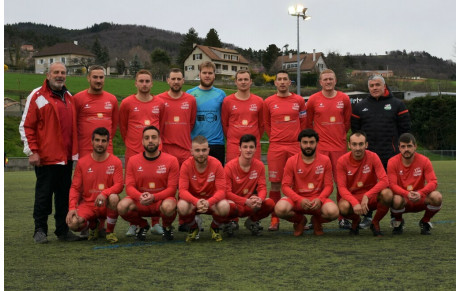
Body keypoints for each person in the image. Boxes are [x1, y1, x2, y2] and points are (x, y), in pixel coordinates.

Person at [19, 62, 80, 243]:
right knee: (44, 195)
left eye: (63, 72)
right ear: (48, 75)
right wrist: (32, 151)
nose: (59, 75)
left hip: (66, 158)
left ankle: (62, 231)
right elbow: (26, 125)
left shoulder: (69, 96)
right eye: (56, 72)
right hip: (46, 157)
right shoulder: (37, 95)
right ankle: (40, 230)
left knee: (63, 196)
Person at [351, 74, 410, 228]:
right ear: (368, 87)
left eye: (378, 85)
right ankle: (367, 216)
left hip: (390, 155)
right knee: (368, 186)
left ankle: (396, 217)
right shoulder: (360, 106)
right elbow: (356, 131)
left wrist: (400, 151)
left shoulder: (398, 104)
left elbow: (405, 131)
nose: (375, 88)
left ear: (384, 86)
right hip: (368, 156)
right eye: (372, 85)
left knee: (392, 187)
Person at [119, 69, 165, 236]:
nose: (144, 84)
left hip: (155, 153)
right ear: (136, 83)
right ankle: (134, 223)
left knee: (156, 185)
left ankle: (155, 223)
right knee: (134, 187)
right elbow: (123, 128)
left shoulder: (159, 103)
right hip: (134, 152)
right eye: (141, 81)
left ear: (152, 84)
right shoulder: (126, 103)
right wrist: (131, 144)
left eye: (147, 81)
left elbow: (162, 127)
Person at [306, 69, 352, 229]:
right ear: (320, 82)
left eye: (330, 79)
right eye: (325, 79)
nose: (328, 82)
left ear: (335, 80)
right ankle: (316, 216)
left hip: (339, 147)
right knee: (317, 183)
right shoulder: (313, 100)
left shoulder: (344, 98)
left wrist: (338, 137)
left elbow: (347, 123)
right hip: (320, 149)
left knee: (341, 183)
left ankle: (342, 216)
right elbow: (308, 124)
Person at [117, 126, 179, 241]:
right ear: (142, 141)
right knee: (122, 206)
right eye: (147, 138)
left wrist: (154, 197)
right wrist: (140, 196)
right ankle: (142, 225)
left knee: (169, 207)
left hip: (161, 201)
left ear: (159, 140)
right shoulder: (133, 160)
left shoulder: (172, 160)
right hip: (141, 201)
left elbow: (172, 189)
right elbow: (129, 187)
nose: (150, 140)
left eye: (154, 137)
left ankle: (166, 227)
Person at [263, 70, 307, 231]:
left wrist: (297, 140)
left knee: (295, 184)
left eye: (285, 79)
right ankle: (275, 219)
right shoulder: (268, 102)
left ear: (290, 82)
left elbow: (304, 123)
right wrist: (276, 137)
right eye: (279, 79)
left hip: (295, 146)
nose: (282, 82)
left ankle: (298, 218)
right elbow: (267, 124)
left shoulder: (299, 100)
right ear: (275, 83)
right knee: (275, 184)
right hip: (276, 146)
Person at [275, 129, 339, 236]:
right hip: (297, 200)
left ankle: (317, 221)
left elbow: (329, 186)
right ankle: (300, 220)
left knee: (334, 212)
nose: (308, 146)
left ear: (316, 143)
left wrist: (320, 199)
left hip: (317, 200)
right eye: (305, 142)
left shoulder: (325, 160)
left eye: (311, 142)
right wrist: (299, 199)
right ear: (299, 143)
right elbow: (285, 186)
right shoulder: (291, 161)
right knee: (280, 209)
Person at [66, 127, 124, 243]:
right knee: (72, 223)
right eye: (97, 140)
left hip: (106, 203)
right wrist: (72, 207)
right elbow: (75, 188)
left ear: (108, 143)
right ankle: (94, 225)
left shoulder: (115, 161)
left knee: (113, 197)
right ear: (92, 141)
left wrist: (104, 193)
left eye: (103, 141)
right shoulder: (82, 162)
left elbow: (119, 185)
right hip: (88, 205)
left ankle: (109, 231)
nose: (100, 144)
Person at [336, 131, 393, 236]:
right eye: (354, 144)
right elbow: (342, 188)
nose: (358, 148)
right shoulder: (342, 161)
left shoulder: (373, 156)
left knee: (388, 194)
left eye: (361, 144)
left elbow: (384, 180)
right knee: (342, 207)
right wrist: (354, 203)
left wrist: (367, 195)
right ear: (349, 145)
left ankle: (375, 222)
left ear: (366, 145)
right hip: (354, 197)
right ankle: (356, 220)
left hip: (371, 197)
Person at [387, 133, 442, 235]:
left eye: (409, 146)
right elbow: (392, 185)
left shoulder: (424, 161)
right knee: (396, 199)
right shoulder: (392, 162)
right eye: (403, 146)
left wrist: (420, 193)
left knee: (437, 196)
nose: (406, 149)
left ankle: (425, 221)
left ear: (415, 147)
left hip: (420, 198)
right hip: (403, 199)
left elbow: (433, 181)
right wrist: (406, 194)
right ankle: (398, 222)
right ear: (399, 148)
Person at [177, 135, 229, 242]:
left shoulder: (216, 164)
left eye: (204, 150)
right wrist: (196, 202)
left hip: (210, 201)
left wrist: (208, 202)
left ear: (208, 150)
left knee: (225, 206)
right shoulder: (186, 165)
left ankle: (215, 227)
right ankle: (193, 227)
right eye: (197, 150)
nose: (201, 153)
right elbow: (182, 191)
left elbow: (221, 191)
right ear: (191, 151)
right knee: (181, 206)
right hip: (193, 202)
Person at [223, 134, 275, 236]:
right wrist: (245, 201)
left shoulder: (259, 165)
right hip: (235, 204)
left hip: (251, 204)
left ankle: (252, 221)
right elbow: (226, 193)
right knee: (223, 206)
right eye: (245, 147)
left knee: (270, 203)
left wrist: (259, 199)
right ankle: (229, 222)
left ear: (255, 149)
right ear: (239, 148)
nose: (248, 150)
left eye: (251, 147)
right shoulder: (229, 166)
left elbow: (262, 187)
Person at [73, 65, 119, 158]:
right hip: (85, 149)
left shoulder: (112, 99)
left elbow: (114, 126)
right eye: (95, 77)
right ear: (88, 78)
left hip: (107, 149)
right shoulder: (78, 99)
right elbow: (73, 125)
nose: (98, 80)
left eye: (101, 77)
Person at [187, 61, 226, 166]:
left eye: (210, 73)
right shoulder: (189, 94)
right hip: (196, 144)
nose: (207, 75)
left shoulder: (221, 94)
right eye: (204, 73)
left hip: (216, 143)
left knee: (217, 179)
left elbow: (225, 119)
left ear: (214, 75)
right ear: (199, 74)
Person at [221, 69, 264, 162]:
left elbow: (261, 125)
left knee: (253, 174)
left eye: (246, 79)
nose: (243, 82)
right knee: (233, 173)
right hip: (234, 145)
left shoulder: (259, 101)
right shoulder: (227, 101)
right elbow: (225, 124)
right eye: (240, 80)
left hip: (253, 145)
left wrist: (253, 138)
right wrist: (233, 137)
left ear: (251, 81)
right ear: (235, 82)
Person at [157, 68, 197, 165]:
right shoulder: (159, 99)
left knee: (184, 179)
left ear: (183, 81)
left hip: (185, 149)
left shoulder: (191, 100)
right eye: (173, 79)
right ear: (168, 80)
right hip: (165, 148)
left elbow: (191, 123)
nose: (176, 82)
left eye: (179, 79)